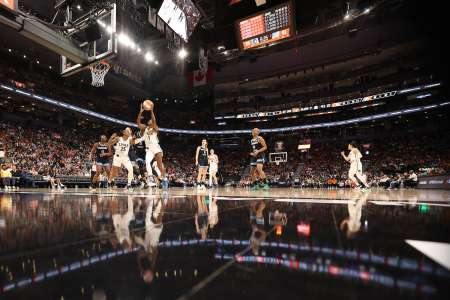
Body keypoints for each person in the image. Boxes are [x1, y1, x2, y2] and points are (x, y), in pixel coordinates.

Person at [136, 103, 168, 189]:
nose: (150, 120)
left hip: (156, 148)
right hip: (149, 149)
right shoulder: (145, 128)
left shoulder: (155, 127)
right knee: (147, 162)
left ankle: (164, 178)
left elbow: (154, 120)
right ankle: (150, 177)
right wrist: (140, 112)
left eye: (151, 120)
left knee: (159, 165)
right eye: (149, 120)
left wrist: (152, 111)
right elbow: (138, 123)